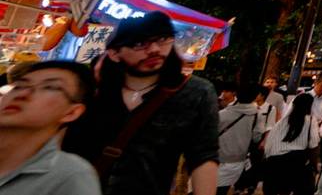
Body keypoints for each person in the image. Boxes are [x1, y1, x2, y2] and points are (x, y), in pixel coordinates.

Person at [64, 10, 220, 195]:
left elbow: (203, 156)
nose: (154, 49)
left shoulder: (196, 92)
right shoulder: (91, 91)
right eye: (139, 43)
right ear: (114, 53)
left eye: (162, 39)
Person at [0, 60, 99, 195]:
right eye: (19, 86)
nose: (22, 94)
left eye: (50, 87)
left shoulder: (69, 175)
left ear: (71, 112)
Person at [216, 83, 264, 195]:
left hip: (215, 159)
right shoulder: (257, 115)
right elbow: (256, 138)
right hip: (237, 162)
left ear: (236, 94)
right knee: (221, 191)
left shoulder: (222, 114)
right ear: (255, 96)